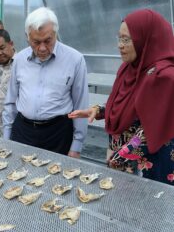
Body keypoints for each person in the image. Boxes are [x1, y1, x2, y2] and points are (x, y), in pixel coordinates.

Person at [69, 9, 174, 185]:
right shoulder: (129, 69)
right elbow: (129, 106)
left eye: (127, 39)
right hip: (121, 162)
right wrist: (99, 110)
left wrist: (119, 156)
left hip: (151, 169)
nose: (120, 45)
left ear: (147, 39)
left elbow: (152, 128)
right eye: (119, 38)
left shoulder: (164, 77)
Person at [2, 7, 88, 158]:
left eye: (48, 41)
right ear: (27, 37)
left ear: (56, 34)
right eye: (36, 42)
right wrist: (6, 137)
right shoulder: (19, 59)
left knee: (58, 177)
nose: (42, 48)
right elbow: (11, 101)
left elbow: (80, 105)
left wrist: (76, 146)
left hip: (58, 133)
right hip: (23, 131)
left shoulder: (75, 59)